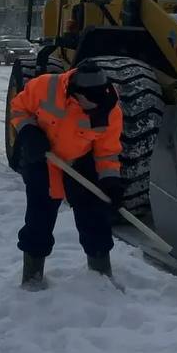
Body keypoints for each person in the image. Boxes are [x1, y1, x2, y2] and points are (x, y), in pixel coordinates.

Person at [8, 63, 124, 290]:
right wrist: (28, 131)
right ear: (76, 94)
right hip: (43, 159)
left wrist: (110, 181)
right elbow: (18, 108)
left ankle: (101, 276)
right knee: (38, 219)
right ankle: (32, 278)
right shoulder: (44, 87)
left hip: (81, 162)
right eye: (90, 104)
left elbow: (107, 152)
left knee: (94, 218)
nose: (94, 109)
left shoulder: (109, 110)